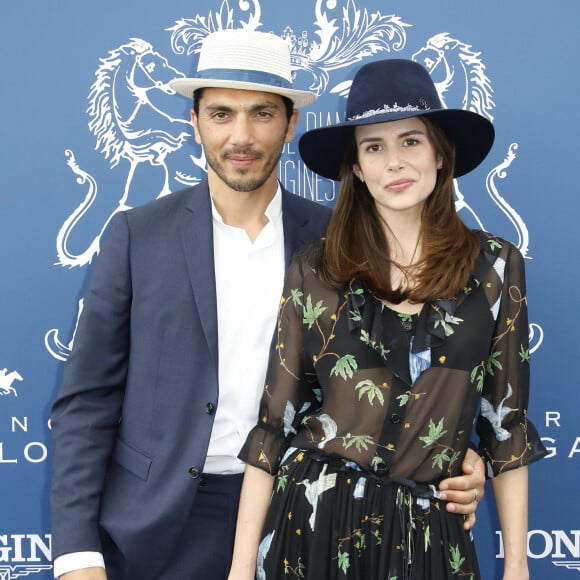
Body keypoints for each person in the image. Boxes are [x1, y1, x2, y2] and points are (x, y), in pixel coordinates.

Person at [49, 29, 485, 580]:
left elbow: (405, 381)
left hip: (315, 512)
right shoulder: (138, 236)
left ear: (290, 124)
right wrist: (76, 555)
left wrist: (462, 459)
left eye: (261, 113)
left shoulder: (343, 241)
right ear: (195, 122)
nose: (242, 135)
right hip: (159, 527)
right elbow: (85, 404)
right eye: (222, 114)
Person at [229, 59, 547, 580]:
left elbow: (505, 428)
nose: (394, 163)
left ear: (441, 154)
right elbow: (273, 427)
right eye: (374, 147)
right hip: (312, 529)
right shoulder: (315, 268)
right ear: (356, 166)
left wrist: (517, 567)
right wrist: (241, 570)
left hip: (429, 539)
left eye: (411, 142)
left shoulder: (495, 267)